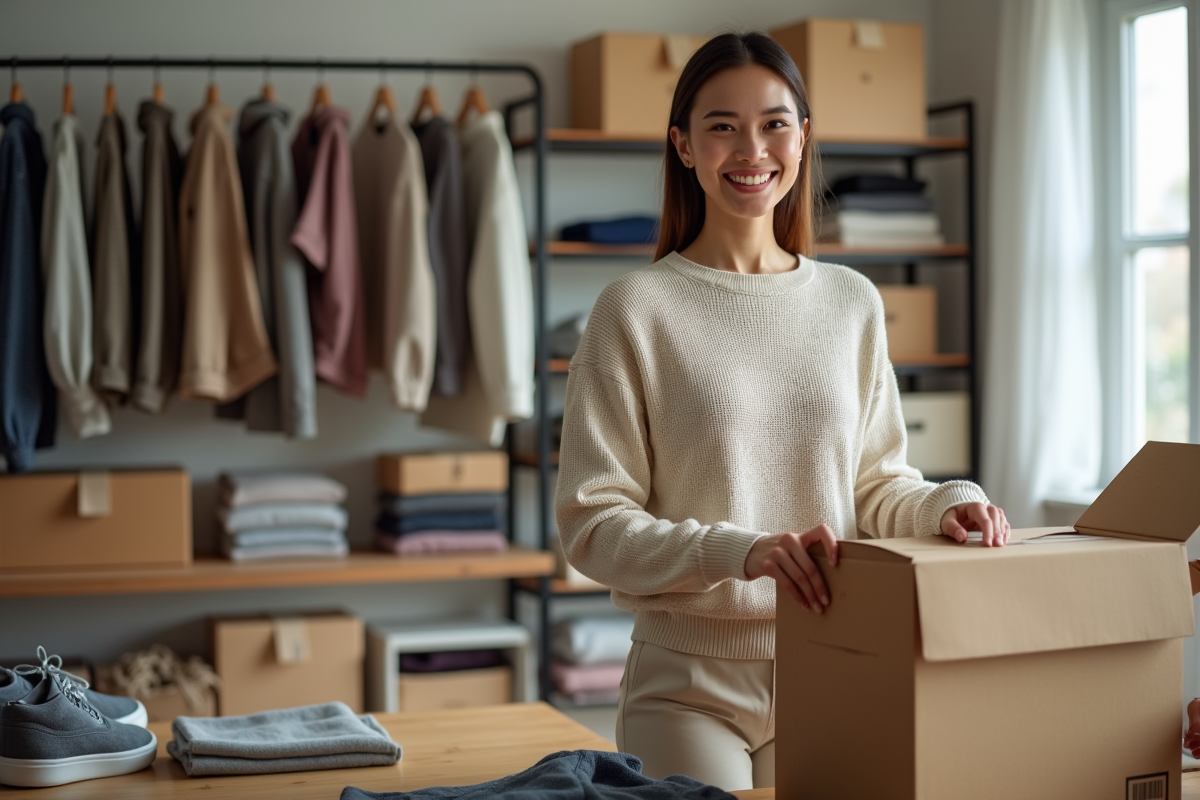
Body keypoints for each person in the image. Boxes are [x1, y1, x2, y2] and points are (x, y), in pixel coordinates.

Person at [554, 31, 1011, 791]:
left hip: (838, 661)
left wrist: (948, 507)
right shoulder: (633, 310)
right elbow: (592, 527)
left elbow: (875, 486)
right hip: (688, 686)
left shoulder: (851, 302)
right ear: (685, 146)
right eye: (722, 126)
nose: (750, 149)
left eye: (773, 123)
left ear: (803, 137)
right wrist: (739, 550)